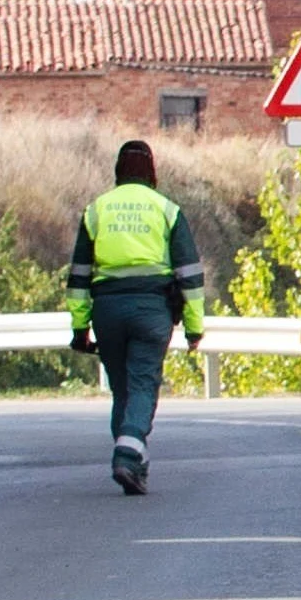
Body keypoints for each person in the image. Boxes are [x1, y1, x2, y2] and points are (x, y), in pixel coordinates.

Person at [66, 138, 206, 496]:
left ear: (117, 172)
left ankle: (133, 465)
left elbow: (79, 275)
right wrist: (194, 327)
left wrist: (80, 327)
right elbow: (189, 274)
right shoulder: (166, 209)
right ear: (152, 172)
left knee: (123, 391)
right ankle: (128, 457)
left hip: (107, 310)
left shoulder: (97, 210)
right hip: (151, 308)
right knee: (143, 385)